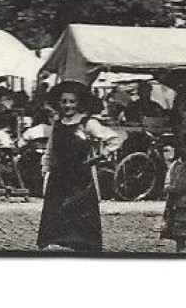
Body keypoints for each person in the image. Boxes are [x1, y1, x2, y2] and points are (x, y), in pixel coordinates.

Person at [35, 79, 121, 253]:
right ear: (58, 103)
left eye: (72, 101)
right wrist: (46, 170)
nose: (68, 105)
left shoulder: (87, 123)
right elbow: (51, 150)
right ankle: (59, 244)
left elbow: (115, 139)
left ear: (79, 103)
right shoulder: (57, 124)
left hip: (80, 177)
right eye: (64, 101)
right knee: (56, 212)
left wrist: (101, 155)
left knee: (80, 214)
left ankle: (82, 246)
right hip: (59, 177)